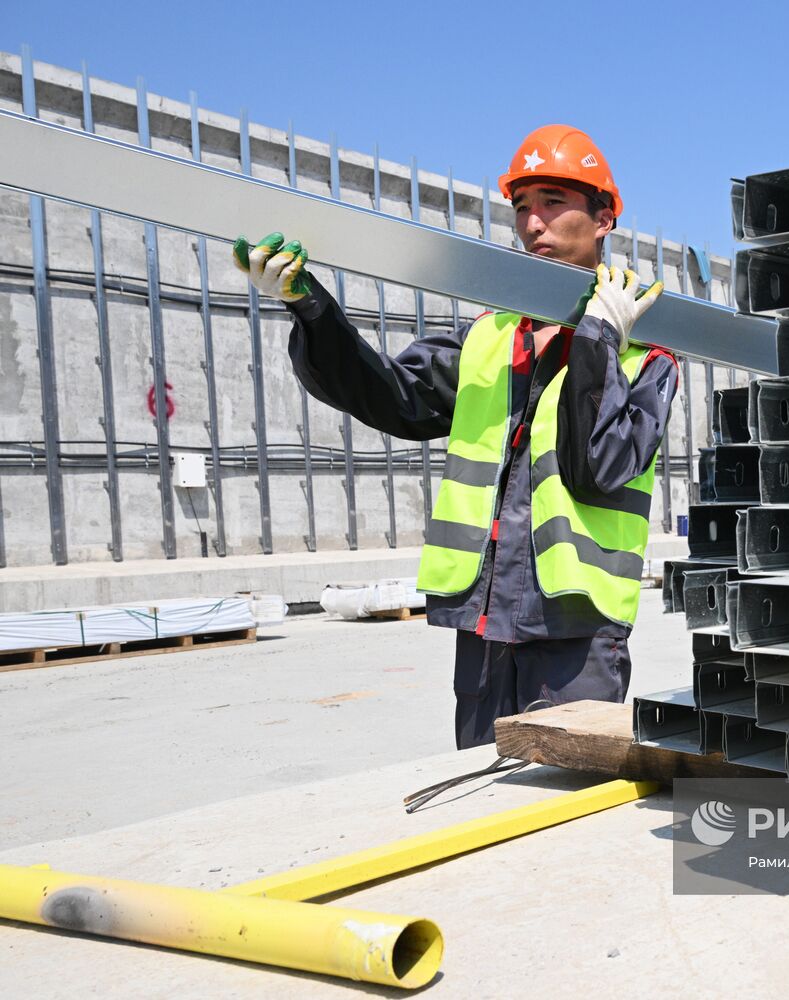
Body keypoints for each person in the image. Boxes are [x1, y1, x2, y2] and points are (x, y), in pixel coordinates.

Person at [233, 125, 678, 748]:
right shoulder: (487, 337)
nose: (532, 224)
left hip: (577, 634)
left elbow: (598, 466)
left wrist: (598, 338)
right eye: (522, 208)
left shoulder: (646, 354)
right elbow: (388, 393)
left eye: (553, 202)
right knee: (481, 798)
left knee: (562, 805)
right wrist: (313, 311)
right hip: (487, 624)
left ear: (603, 218)